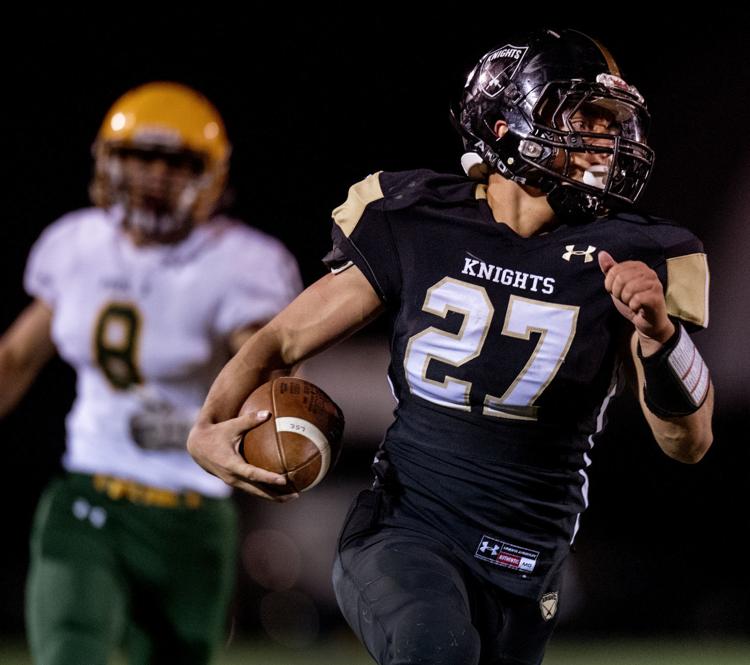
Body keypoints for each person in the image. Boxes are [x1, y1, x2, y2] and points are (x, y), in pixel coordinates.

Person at [187, 28, 714, 665]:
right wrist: (209, 427)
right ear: (503, 125)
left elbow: (688, 442)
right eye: (583, 115)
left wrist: (661, 335)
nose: (603, 140)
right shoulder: (416, 218)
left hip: (529, 562)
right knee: (435, 652)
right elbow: (282, 339)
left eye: (611, 121)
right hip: (405, 531)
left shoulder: (637, 250)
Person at [0, 81, 302, 664]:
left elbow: (265, 364)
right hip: (89, 493)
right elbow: (15, 357)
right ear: (107, 161)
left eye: (176, 160)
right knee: (70, 651)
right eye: (140, 156)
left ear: (210, 173)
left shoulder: (242, 262)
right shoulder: (75, 245)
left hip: (193, 511)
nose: (155, 175)